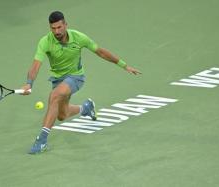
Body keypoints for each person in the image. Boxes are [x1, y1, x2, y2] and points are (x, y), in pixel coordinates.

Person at [22, 11, 141, 154]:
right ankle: (86, 108)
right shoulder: (45, 42)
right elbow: (36, 65)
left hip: (75, 77)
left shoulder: (79, 37)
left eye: (59, 27)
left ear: (66, 25)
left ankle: (41, 141)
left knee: (54, 96)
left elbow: (101, 52)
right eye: (53, 28)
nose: (57, 31)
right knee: (62, 115)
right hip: (58, 79)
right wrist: (29, 83)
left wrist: (124, 65)